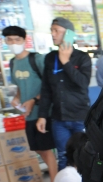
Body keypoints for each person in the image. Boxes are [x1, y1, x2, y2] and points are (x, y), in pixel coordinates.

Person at [4, 26, 57, 182]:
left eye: (16, 40)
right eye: (9, 40)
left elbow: (50, 85)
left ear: (24, 40)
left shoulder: (37, 59)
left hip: (43, 112)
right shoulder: (13, 62)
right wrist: (16, 99)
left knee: (46, 149)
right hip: (28, 114)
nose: (13, 43)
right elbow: (19, 86)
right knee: (38, 149)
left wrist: (34, 99)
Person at [37, 17, 92, 171]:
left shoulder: (82, 58)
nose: (53, 34)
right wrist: (42, 115)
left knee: (84, 155)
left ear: (68, 34)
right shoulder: (49, 58)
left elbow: (82, 82)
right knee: (63, 155)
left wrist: (66, 62)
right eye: (52, 31)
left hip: (80, 117)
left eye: (57, 31)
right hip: (58, 119)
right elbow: (46, 90)